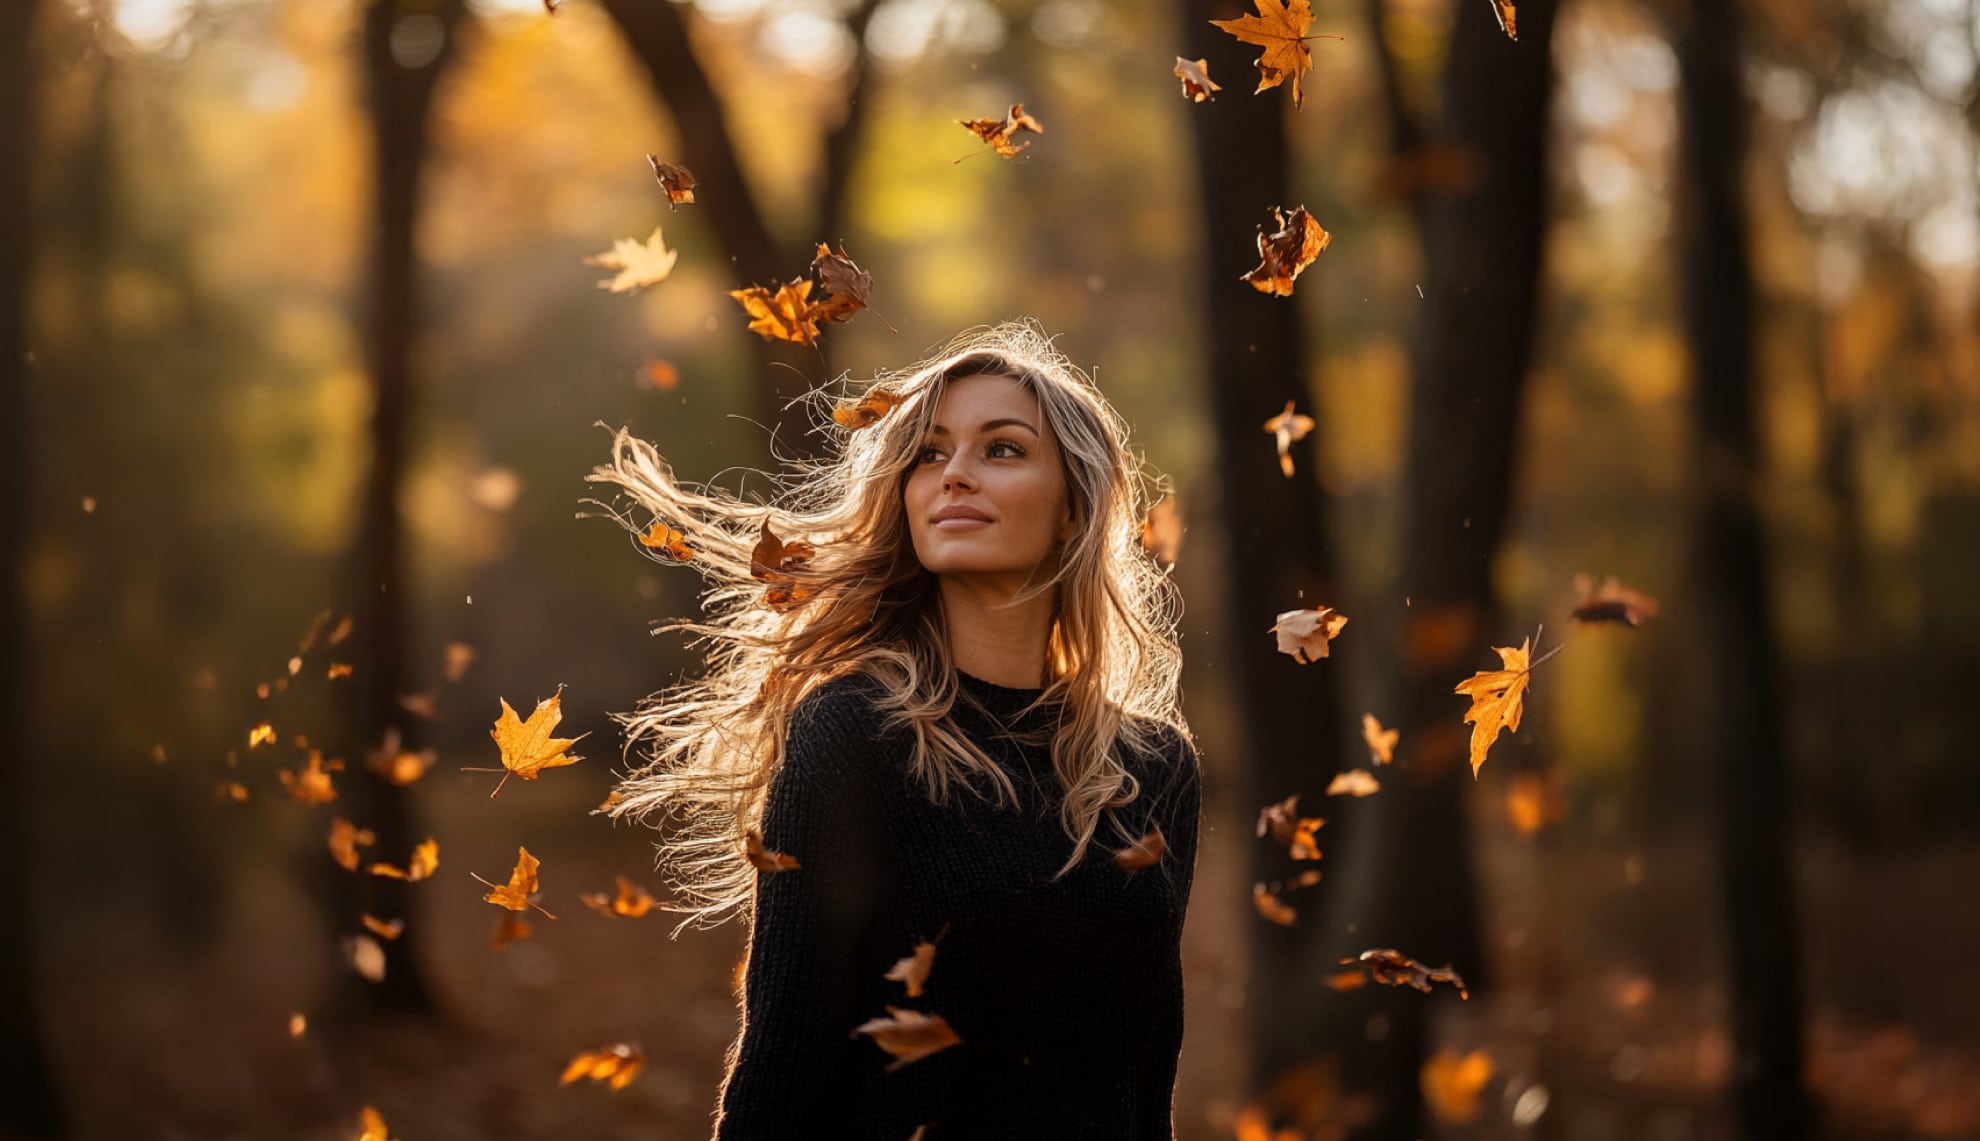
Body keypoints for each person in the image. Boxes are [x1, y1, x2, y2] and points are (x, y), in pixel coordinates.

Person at [586, 320, 1202, 1140]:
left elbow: (1145, 1068)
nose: (953, 475)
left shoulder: (1152, 767)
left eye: (1002, 450)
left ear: (1072, 511)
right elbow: (782, 1065)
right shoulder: (853, 736)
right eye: (929, 452)